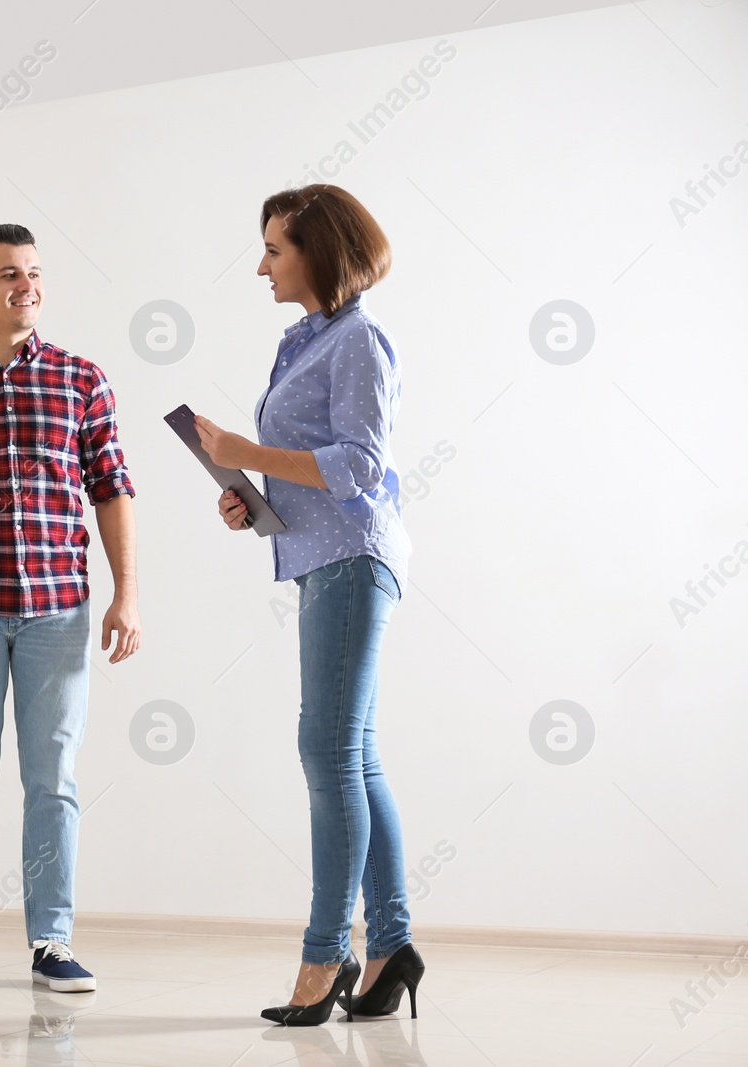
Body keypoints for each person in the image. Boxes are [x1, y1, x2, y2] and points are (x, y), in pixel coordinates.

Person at [196, 184, 424, 1026]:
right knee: (352, 754)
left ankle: (327, 952)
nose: (261, 264)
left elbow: (360, 465)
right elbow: (310, 462)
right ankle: (392, 947)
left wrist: (244, 449)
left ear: (319, 252)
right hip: (320, 556)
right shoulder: (305, 341)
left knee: (325, 751)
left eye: (275, 250)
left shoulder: (360, 340)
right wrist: (250, 494)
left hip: (354, 561)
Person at [0, 224, 140, 995]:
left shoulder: (83, 378)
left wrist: (128, 592)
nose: (28, 285)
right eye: (10, 273)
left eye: (36, 273)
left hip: (58, 609)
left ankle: (51, 940)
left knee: (53, 780)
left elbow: (110, 488)